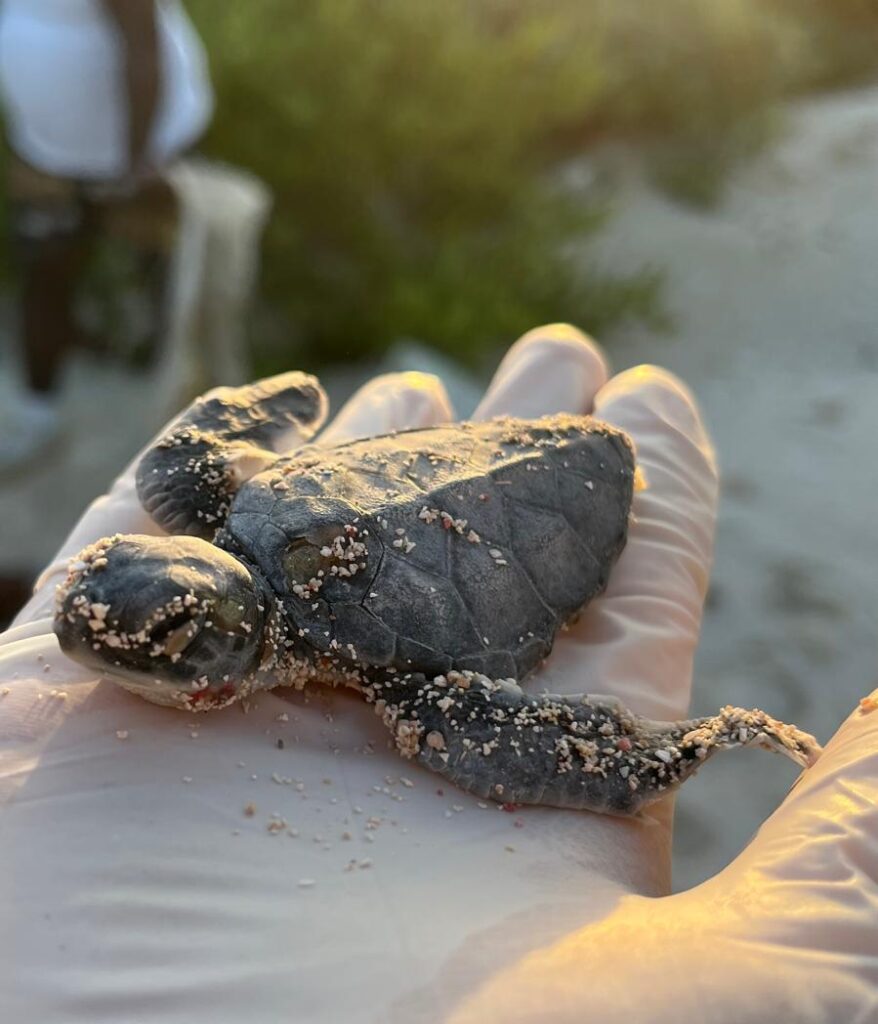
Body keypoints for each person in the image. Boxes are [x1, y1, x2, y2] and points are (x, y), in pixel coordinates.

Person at [0, 325, 874, 1023]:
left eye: (172, 632)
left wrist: (671, 751)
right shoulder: (220, 511)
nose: (97, 632)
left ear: (230, 658)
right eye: (90, 581)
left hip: (557, 502)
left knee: (446, 740)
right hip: (408, 479)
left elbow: (498, 734)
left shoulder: (399, 681)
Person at [0, 0, 213, 471]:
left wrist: (134, 167)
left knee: (166, 283)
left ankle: (182, 434)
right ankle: (40, 415)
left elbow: (143, 45)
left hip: (142, 152)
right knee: (46, 272)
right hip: (46, 151)